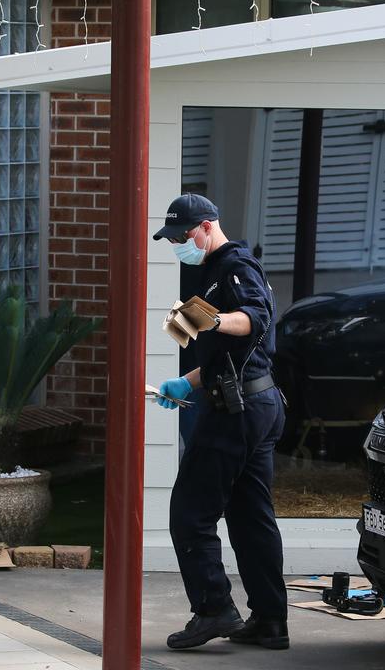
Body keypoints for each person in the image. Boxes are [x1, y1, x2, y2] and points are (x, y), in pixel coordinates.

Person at [150, 194, 290, 652]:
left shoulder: (235, 267)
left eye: (183, 235)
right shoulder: (212, 270)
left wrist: (208, 319)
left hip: (238, 411)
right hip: (254, 401)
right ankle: (270, 621)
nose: (178, 244)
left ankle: (213, 609)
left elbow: (256, 319)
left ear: (208, 226)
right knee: (251, 517)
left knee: (190, 511)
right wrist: (185, 384)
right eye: (172, 238)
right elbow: (225, 355)